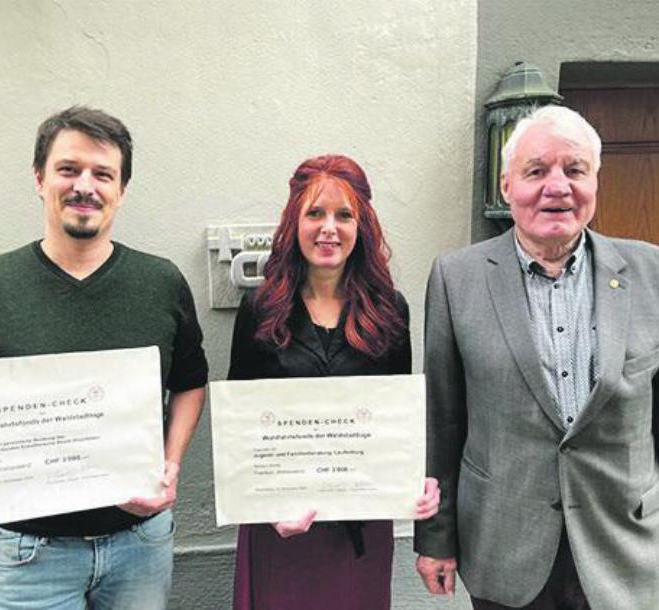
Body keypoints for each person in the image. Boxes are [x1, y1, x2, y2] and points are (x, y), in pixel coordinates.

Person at [0, 106, 208, 610]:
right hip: (28, 554)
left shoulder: (161, 282)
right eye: (69, 169)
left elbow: (191, 381)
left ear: (121, 190)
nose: (86, 185)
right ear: (40, 179)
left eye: (103, 174)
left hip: (141, 544)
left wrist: (171, 464)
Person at [414, 105, 659, 609]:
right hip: (504, 546)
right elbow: (442, 420)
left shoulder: (651, 272)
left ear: (595, 180)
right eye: (536, 171)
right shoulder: (456, 279)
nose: (557, 187)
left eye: (574, 170)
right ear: (507, 186)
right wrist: (435, 540)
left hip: (625, 547)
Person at [228, 154, 440, 610]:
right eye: (315, 213)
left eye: (344, 215)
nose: (329, 228)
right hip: (280, 526)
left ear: (362, 225)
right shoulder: (260, 308)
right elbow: (238, 428)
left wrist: (412, 483)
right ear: (294, 223)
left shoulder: (389, 310)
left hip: (358, 528)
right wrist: (267, 509)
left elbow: (394, 423)